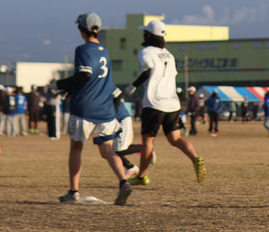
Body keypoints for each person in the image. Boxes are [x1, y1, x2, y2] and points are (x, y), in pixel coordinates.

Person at [53, 13, 132, 206]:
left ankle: (74, 191)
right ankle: (123, 182)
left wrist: (60, 84)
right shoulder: (105, 50)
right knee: (108, 150)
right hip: (105, 110)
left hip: (84, 108)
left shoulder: (82, 49)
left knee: (76, 148)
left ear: (81, 29)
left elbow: (84, 75)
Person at [121, 19, 206, 186]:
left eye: (145, 32)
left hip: (154, 103)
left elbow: (147, 72)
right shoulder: (169, 54)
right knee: (175, 138)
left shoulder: (146, 52)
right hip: (172, 103)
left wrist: (132, 86)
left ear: (148, 35)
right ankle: (195, 158)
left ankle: (141, 176)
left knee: (148, 141)